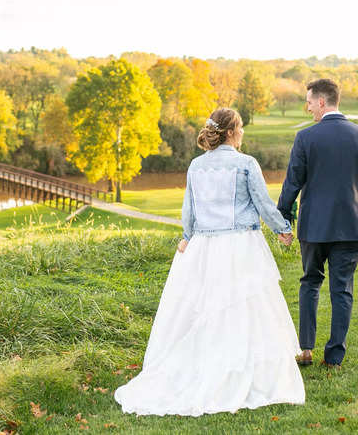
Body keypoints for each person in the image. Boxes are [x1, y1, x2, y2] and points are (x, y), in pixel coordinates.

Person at [114, 107, 305, 416]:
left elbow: (188, 210)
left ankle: (207, 365)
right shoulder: (246, 164)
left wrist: (188, 236)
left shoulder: (196, 166)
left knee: (206, 310)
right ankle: (240, 372)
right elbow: (263, 204)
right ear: (230, 132)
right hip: (240, 245)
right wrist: (283, 229)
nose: (243, 132)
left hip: (204, 246)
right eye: (241, 127)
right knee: (243, 309)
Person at [277, 79, 358, 369]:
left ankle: (305, 349)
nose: (306, 107)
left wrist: (284, 217)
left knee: (310, 282)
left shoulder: (306, 138)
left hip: (314, 227)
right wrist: (355, 212)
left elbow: (292, 182)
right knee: (342, 289)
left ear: (321, 102)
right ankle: (334, 358)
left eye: (308, 101)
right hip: (350, 224)